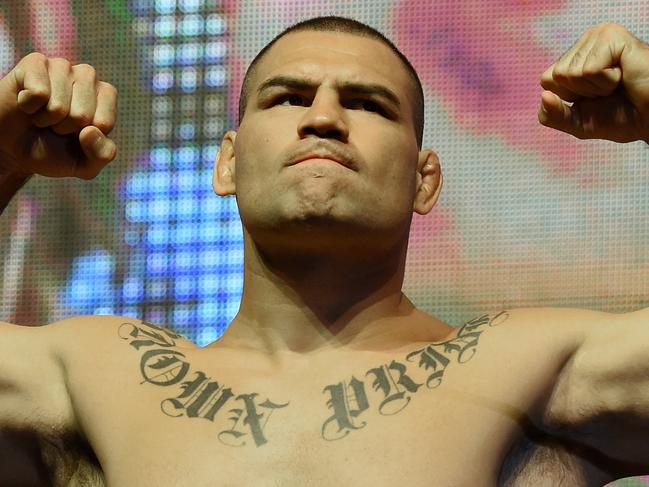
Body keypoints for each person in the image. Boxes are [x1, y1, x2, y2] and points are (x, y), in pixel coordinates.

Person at [0, 14, 648, 487]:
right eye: (288, 97)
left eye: (368, 104)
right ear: (226, 161)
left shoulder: (529, 369)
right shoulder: (99, 380)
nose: (324, 118)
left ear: (424, 180)